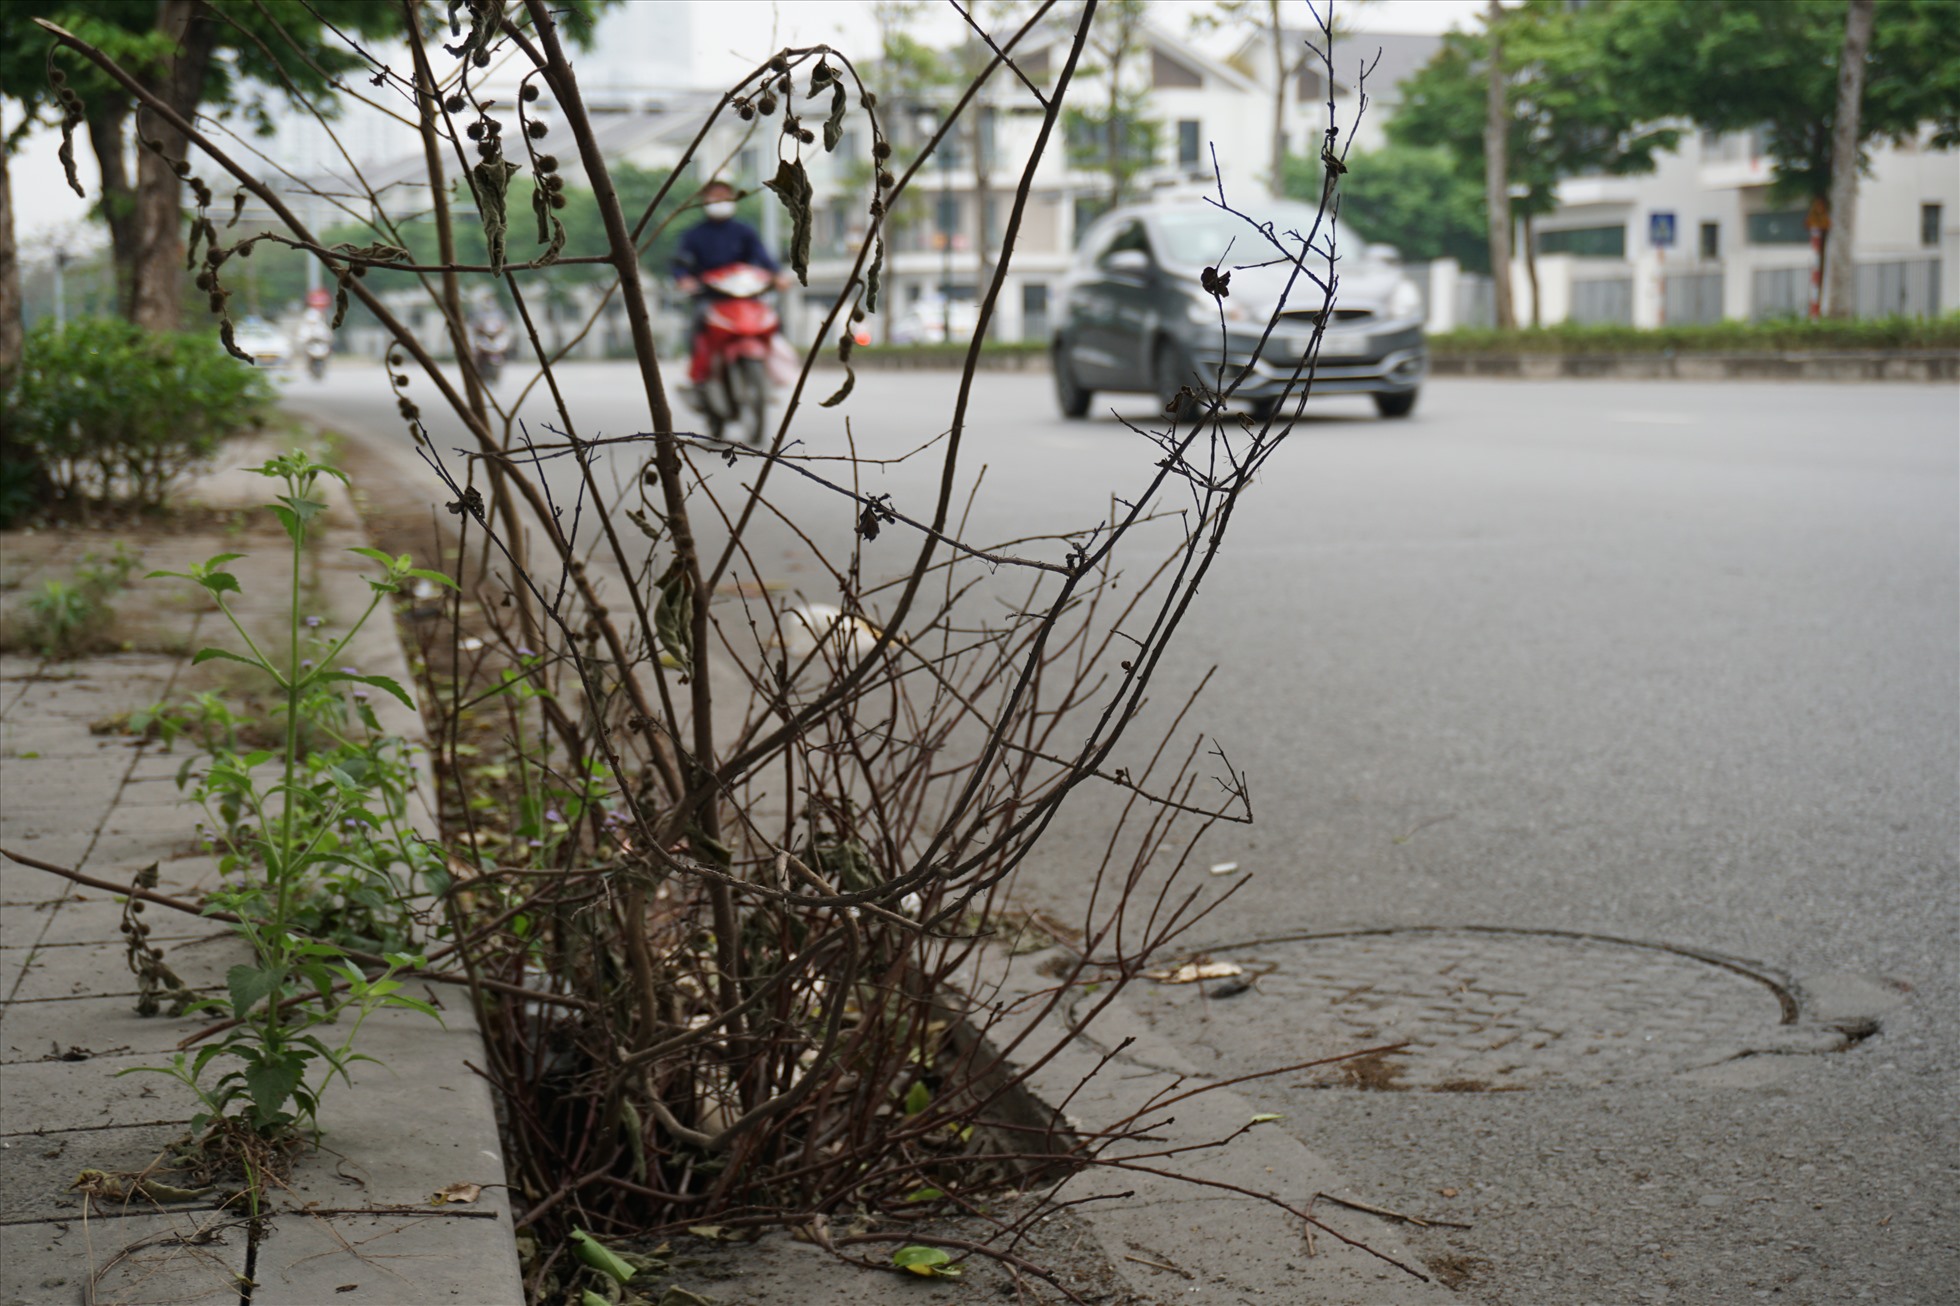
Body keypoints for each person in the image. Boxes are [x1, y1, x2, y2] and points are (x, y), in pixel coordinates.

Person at [670, 180, 788, 387]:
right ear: (704, 201)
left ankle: (775, 366)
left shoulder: (744, 231)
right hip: (710, 296)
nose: (720, 201)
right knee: (698, 324)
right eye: (715, 197)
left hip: (744, 294)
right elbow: (680, 264)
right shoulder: (693, 235)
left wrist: (777, 275)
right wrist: (684, 279)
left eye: (724, 197)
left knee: (774, 319)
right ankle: (698, 374)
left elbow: (762, 257)